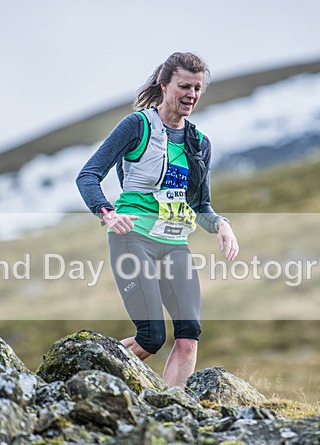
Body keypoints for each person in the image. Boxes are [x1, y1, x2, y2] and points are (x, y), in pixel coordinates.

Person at [76, 52, 238, 387]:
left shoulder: (199, 143)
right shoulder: (137, 126)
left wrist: (222, 225)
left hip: (175, 245)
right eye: (184, 86)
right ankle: (79, 380)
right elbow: (88, 176)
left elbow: (200, 206)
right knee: (150, 337)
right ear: (165, 85)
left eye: (196, 88)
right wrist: (107, 213)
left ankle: (172, 409)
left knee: (188, 337)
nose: (191, 94)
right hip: (133, 238)